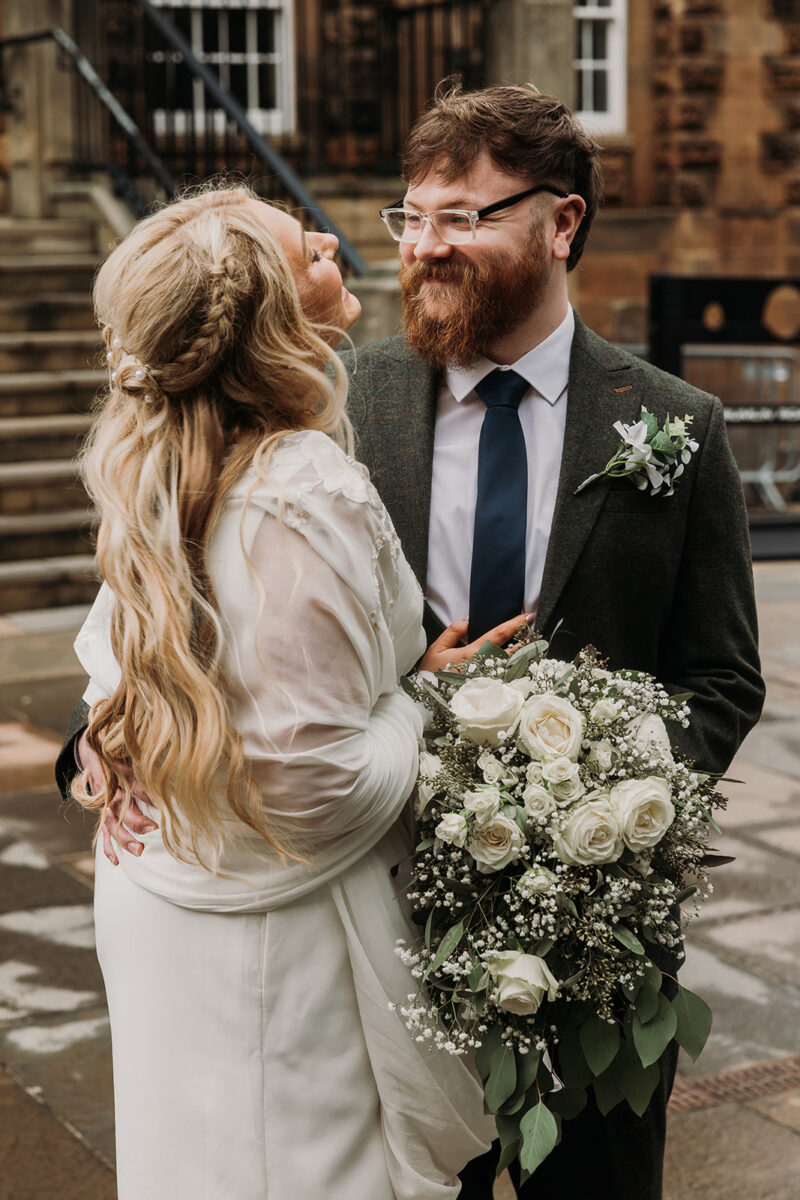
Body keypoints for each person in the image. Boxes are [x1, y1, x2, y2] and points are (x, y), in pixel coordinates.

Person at [340, 82, 765, 1199]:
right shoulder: (342, 401)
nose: (426, 246)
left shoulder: (672, 423)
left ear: (560, 222)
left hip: (596, 944)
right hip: (378, 912)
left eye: (465, 217)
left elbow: (718, 678)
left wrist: (592, 815)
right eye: (411, 216)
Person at [60, 185, 501, 1199]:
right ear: (271, 315)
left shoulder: (163, 459)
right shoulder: (303, 485)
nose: (327, 238)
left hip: (170, 897)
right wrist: (421, 698)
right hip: (269, 940)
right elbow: (318, 788)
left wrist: (127, 737)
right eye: (300, 246)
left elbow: (117, 654)